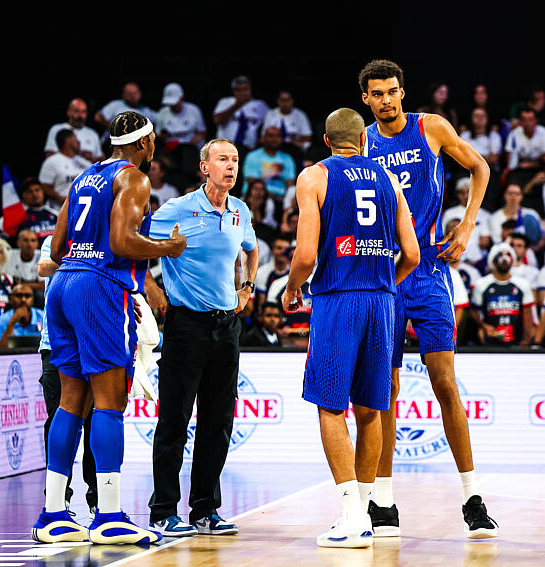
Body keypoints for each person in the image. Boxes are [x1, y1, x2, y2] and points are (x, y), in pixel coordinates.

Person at [358, 59, 498, 538]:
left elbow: (479, 167)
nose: (386, 100)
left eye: (392, 91)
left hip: (430, 271)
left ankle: (473, 498)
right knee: (386, 392)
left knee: (446, 384)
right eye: (377, 94)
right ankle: (383, 500)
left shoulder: (431, 127)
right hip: (384, 273)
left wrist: (468, 222)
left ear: (402, 92)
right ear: (366, 99)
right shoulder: (361, 141)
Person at [32, 111, 185, 545]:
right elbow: (121, 242)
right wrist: (168, 247)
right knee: (109, 402)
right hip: (100, 286)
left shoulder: (82, 179)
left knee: (69, 402)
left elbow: (58, 247)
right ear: (145, 143)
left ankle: (54, 514)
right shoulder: (134, 179)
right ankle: (110, 516)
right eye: (153, 140)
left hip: (62, 285)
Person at [281, 107, 419, 547]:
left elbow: (304, 257)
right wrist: (381, 283)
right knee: (371, 409)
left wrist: (290, 290)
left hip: (338, 299)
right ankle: (365, 511)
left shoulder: (314, 177)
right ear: (364, 140)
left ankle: (350, 516)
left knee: (329, 405)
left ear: (327, 141)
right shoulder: (389, 180)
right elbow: (412, 254)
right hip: (383, 302)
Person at [146, 138, 257, 538]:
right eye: (223, 159)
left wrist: (247, 287)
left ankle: (205, 510)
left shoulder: (239, 210)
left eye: (235, 160)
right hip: (186, 325)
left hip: (226, 327)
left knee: (218, 422)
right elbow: (134, 247)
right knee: (174, 419)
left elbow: (251, 250)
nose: (231, 166)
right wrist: (154, 293)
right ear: (203, 167)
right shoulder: (177, 209)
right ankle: (162, 511)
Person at [37, 235, 97, 517]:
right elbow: (43, 268)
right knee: (59, 418)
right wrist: (84, 257)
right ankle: (58, 498)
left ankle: (99, 499)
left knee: (97, 422)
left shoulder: (105, 236)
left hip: (95, 341)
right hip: (56, 344)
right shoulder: (56, 239)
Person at [470, 243, 535, 346]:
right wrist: (483, 326)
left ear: (513, 259)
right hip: (490, 342)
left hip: (516, 341)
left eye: (508, 255)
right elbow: (473, 311)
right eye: (500, 255)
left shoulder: (523, 284)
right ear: (493, 260)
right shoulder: (481, 284)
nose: (504, 259)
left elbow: (528, 315)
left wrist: (527, 340)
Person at [0, 179, 61, 245]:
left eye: (37, 190)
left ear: (43, 192)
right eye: (29, 191)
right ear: (23, 195)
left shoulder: (55, 214)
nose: (34, 194)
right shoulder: (17, 215)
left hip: (54, 255)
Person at [212, 76, 269, 150]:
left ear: (250, 90)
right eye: (238, 90)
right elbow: (217, 120)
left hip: (248, 148)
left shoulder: (260, 105)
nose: (242, 92)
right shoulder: (225, 102)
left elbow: (270, 124)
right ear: (233, 91)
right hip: (225, 148)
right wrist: (237, 104)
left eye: (245, 89)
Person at [242, 126, 297, 202]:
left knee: (293, 191)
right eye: (271, 136)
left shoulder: (287, 158)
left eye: (278, 136)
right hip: (260, 198)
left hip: (281, 199)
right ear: (263, 138)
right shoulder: (253, 156)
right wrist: (270, 196)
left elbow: (290, 183)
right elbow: (252, 182)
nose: (274, 139)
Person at [39, 129, 92, 207]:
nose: (79, 142)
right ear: (68, 140)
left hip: (84, 209)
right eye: (75, 138)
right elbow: (44, 186)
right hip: (60, 210)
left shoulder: (84, 162)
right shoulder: (52, 161)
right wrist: (62, 198)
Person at [44, 98, 103, 163]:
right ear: (68, 112)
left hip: (87, 171)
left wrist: (90, 158)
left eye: (83, 111)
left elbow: (100, 159)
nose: (80, 116)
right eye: (76, 111)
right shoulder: (57, 129)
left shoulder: (93, 134)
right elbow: (49, 156)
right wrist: (78, 154)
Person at [0, 284, 45, 349]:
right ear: (11, 299)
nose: (23, 300)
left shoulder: (45, 318)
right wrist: (11, 323)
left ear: (33, 300)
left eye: (27, 296)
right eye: (19, 296)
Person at [155, 83, 206, 147]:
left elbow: (202, 133)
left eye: (174, 104)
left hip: (191, 147)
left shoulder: (194, 110)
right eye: (170, 104)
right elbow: (159, 135)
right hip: (171, 148)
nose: (172, 106)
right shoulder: (162, 112)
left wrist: (190, 143)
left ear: (182, 98)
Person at [4, 229, 45, 294]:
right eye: (26, 240)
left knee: (39, 294)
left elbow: (44, 285)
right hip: (13, 290)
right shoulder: (8, 255)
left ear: (37, 244)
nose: (29, 244)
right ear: (18, 243)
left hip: (34, 293)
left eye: (33, 240)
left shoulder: (43, 257)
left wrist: (22, 285)